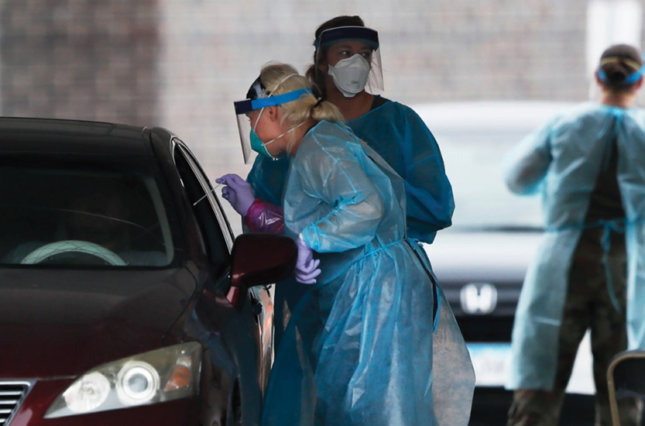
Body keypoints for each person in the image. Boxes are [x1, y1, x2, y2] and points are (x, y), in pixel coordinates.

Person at [221, 63, 474, 425]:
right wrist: (253, 208)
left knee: (377, 406)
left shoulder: (320, 146)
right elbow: (310, 220)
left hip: (377, 292)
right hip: (365, 290)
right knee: (354, 401)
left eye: (252, 121)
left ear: (273, 112)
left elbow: (367, 205)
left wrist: (309, 240)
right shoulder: (316, 145)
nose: (253, 133)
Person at [227, 15, 454, 345]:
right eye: (345, 52)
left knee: (373, 386)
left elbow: (435, 207)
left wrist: (363, 211)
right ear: (321, 62)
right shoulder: (295, 135)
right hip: (311, 291)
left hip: (381, 291)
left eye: (364, 54)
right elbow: (268, 229)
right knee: (316, 387)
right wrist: (260, 211)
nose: (356, 62)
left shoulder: (398, 123)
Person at [503, 44, 645, 426]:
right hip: (625, 268)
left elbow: (517, 179)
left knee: (540, 381)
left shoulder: (564, 124)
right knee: (622, 387)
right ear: (640, 82)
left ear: (598, 78)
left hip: (563, 263)